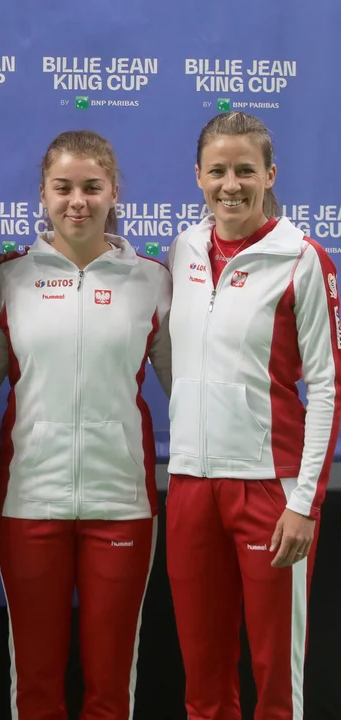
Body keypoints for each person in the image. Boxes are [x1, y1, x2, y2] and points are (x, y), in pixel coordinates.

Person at [0, 130, 172, 718]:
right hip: (30, 502)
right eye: (63, 188)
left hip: (122, 503)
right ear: (43, 194)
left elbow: (190, 388)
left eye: (92, 187)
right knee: (36, 683)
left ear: (114, 192)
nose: (78, 201)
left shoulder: (152, 280)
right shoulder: (9, 280)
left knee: (109, 685)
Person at [166, 111, 341, 719]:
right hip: (190, 485)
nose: (231, 185)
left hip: (271, 490)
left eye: (245, 170)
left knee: (275, 682)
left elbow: (328, 387)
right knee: (202, 678)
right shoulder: (183, 249)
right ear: (198, 176)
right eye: (217, 171)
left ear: (270, 174)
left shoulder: (302, 259)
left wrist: (304, 503)